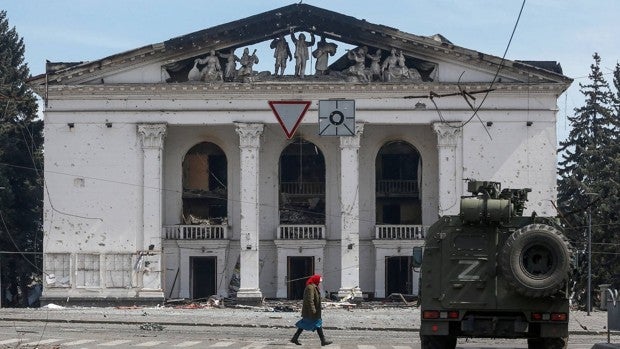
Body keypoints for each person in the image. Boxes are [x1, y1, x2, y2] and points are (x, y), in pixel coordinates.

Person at [290, 274, 333, 346]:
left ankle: (295, 338)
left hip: (312, 311)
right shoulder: (310, 287)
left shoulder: (314, 287)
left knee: (308, 324)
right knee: (316, 324)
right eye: (319, 281)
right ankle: (323, 341)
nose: (319, 283)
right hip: (310, 311)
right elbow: (310, 300)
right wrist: (313, 310)